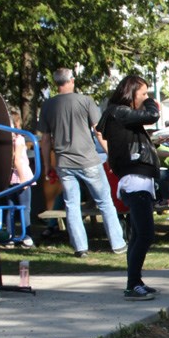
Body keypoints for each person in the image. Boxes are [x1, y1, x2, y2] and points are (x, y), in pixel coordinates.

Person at [38, 67, 127, 257]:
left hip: (64, 162)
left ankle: (80, 248)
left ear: (56, 83)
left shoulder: (48, 106)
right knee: (105, 202)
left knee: (72, 205)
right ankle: (118, 244)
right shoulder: (86, 101)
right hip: (88, 160)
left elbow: (45, 139)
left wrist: (47, 165)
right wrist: (110, 154)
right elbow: (98, 131)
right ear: (71, 80)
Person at [97, 75, 161, 301]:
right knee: (145, 234)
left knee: (138, 235)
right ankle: (132, 284)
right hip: (134, 180)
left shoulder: (120, 115)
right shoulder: (119, 112)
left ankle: (135, 281)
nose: (146, 98)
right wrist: (152, 102)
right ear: (130, 92)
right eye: (143, 93)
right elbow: (152, 115)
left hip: (139, 179)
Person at [6, 107, 35, 248]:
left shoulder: (6, 140)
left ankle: (10, 236)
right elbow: (18, 159)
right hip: (21, 175)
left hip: (9, 177)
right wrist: (24, 179)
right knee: (25, 208)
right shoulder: (19, 139)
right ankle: (27, 236)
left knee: (10, 207)